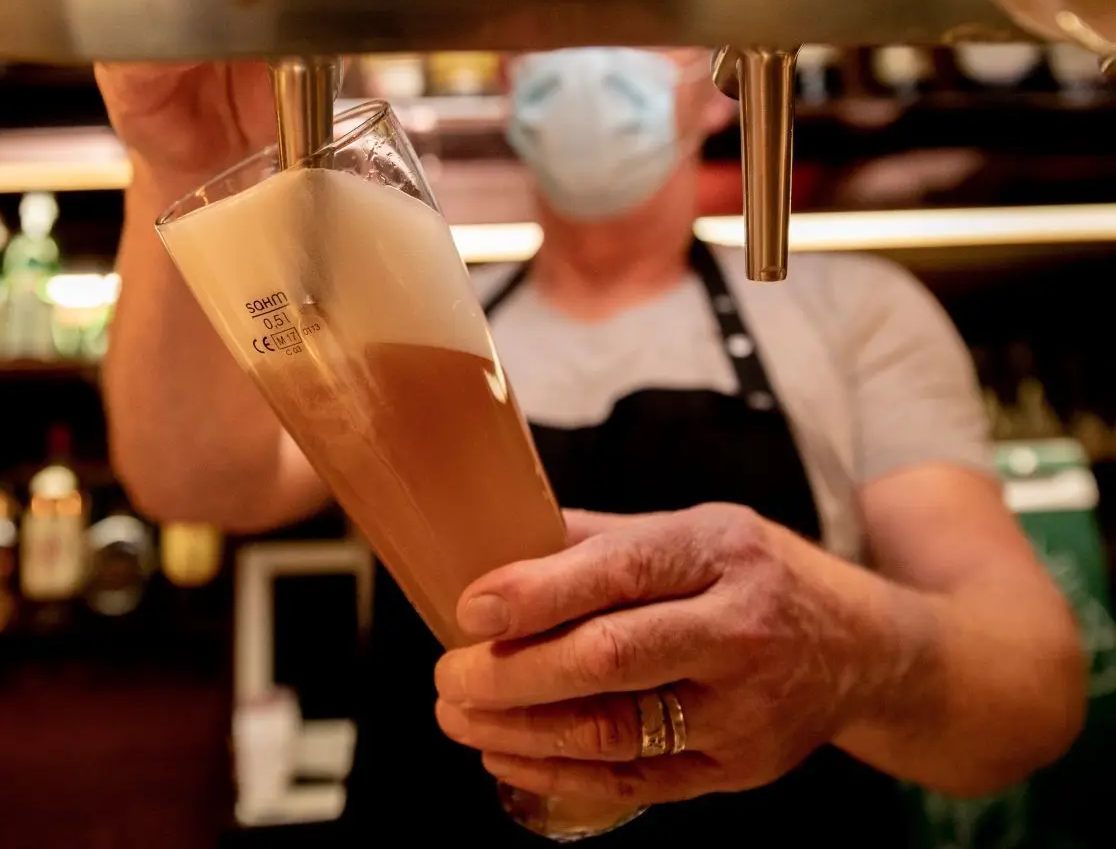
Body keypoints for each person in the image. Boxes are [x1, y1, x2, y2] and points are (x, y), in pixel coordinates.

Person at [95, 50, 1087, 847]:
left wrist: (846, 648)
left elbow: (1032, 690)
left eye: (641, 20)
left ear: (722, 78)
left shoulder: (852, 312)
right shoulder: (424, 321)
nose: (587, 56)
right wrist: (180, 168)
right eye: (548, 31)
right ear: (508, 81)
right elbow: (194, 477)